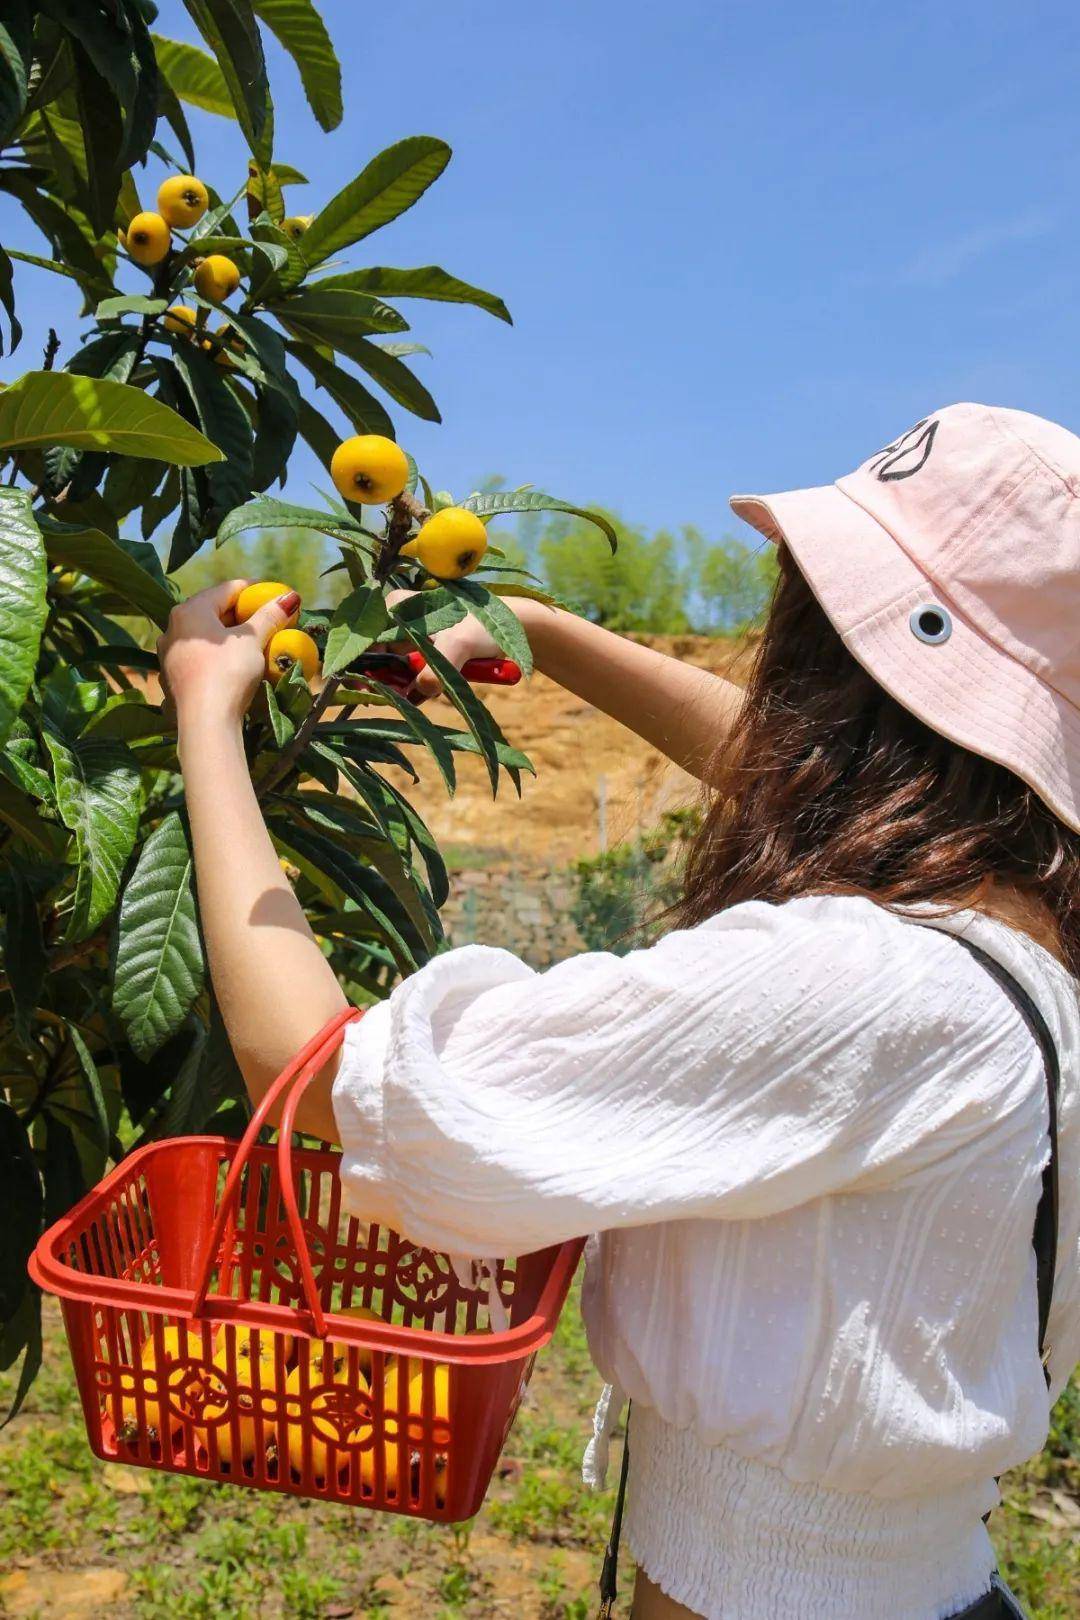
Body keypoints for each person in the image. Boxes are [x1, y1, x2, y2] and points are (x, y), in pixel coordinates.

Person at [159, 402, 1079, 1620]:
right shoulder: (1016, 937)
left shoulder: (860, 987)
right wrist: (539, 635)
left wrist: (204, 722)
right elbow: (814, 792)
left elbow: (321, 1074)